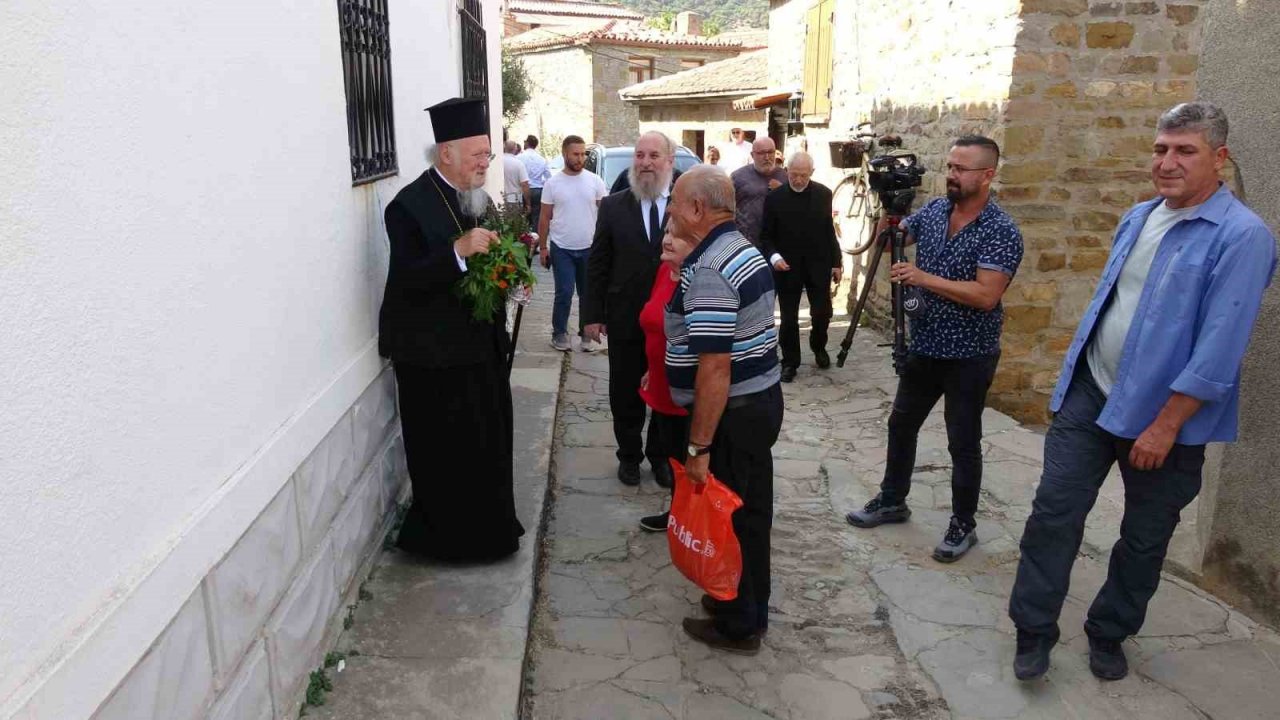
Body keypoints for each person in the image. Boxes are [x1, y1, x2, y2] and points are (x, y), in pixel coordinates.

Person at [1009, 102, 1276, 682]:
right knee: (1053, 515)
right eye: (1160, 149)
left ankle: (1109, 631)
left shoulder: (1243, 237)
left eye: (1185, 151)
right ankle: (1033, 630)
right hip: (1091, 394)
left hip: (1165, 419)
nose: (1167, 162)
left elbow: (1219, 348)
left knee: (1144, 536)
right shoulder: (1139, 216)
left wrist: (1166, 423)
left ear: (1220, 159)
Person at [844, 135, 1024, 564]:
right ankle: (892, 499)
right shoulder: (938, 210)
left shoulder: (1001, 231)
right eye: (950, 166)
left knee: (963, 442)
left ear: (987, 176)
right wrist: (891, 221)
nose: (952, 175)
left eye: (961, 169)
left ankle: (964, 523)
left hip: (969, 355)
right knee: (901, 425)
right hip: (926, 346)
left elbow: (985, 295)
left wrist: (924, 279)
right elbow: (900, 235)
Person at [377, 97, 523, 563]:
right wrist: (457, 251)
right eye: (479, 154)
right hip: (432, 358)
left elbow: (486, 267)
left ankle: (493, 532)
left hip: (478, 348)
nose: (486, 163)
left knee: (487, 444)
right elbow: (408, 279)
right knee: (446, 454)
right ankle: (448, 543)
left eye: (488, 155)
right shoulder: (408, 207)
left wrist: (509, 276)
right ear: (447, 154)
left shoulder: (475, 197)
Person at [664, 165, 783, 654]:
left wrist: (699, 446)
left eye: (675, 201)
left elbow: (715, 367)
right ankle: (746, 604)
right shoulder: (741, 247)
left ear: (696, 208)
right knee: (751, 515)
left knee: (730, 518)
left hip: (734, 412)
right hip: (759, 404)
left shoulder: (712, 266)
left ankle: (739, 624)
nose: (669, 210)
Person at [584, 131, 679, 487]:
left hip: (671, 320)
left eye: (654, 155)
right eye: (640, 155)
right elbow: (597, 263)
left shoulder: (685, 204)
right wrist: (592, 315)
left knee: (666, 391)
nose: (645, 163)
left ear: (669, 161)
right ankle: (628, 456)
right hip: (624, 318)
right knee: (625, 390)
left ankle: (660, 456)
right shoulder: (612, 206)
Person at [758, 151, 843, 381]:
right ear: (786, 172)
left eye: (803, 176)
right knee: (788, 317)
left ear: (811, 174)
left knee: (822, 313)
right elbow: (766, 236)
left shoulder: (824, 194)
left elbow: (829, 230)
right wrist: (774, 257)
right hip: (787, 266)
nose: (797, 180)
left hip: (818, 263)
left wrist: (837, 262)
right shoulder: (775, 198)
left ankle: (819, 346)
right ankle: (790, 361)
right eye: (794, 175)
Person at [636, 229, 694, 533]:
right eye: (668, 232)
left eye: (678, 235)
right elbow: (656, 324)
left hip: (685, 390)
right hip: (661, 382)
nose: (668, 240)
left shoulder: (698, 280)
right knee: (674, 457)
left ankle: (690, 522)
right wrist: (652, 367)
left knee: (687, 461)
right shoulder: (665, 271)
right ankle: (678, 514)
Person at [538, 135, 608, 352]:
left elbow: (605, 214)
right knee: (564, 292)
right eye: (575, 154)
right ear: (565, 154)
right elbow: (544, 217)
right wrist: (543, 247)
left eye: (583, 154)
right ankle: (559, 333)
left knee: (588, 293)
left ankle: (586, 334)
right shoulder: (552, 184)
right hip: (562, 248)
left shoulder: (595, 181)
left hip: (590, 248)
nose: (580, 158)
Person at [730, 137, 787, 247]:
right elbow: (725, 209)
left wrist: (782, 192)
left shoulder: (785, 177)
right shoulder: (737, 177)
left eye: (770, 152)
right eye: (761, 153)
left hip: (776, 246)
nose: (767, 157)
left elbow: (795, 207)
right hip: (746, 244)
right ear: (752, 155)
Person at [519, 135, 551, 230]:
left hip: (524, 190)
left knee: (524, 217)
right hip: (538, 190)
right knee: (536, 217)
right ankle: (536, 238)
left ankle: (525, 238)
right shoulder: (542, 159)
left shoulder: (519, 158)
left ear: (527, 143)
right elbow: (548, 177)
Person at [501, 140, 529, 211]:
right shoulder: (519, 164)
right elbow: (524, 184)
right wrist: (528, 203)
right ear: (515, 149)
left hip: (499, 199)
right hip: (515, 199)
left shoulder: (498, 161)